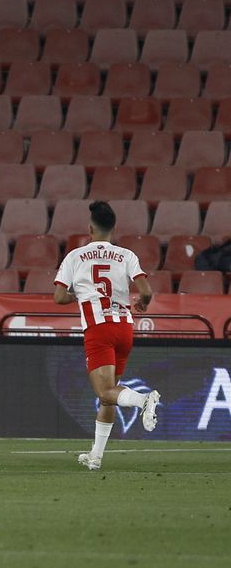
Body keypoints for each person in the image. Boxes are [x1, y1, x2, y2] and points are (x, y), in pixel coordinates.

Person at [54, 200, 162, 469]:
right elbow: (146, 291)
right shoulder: (126, 255)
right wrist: (143, 304)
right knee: (110, 393)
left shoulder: (75, 256)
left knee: (104, 392)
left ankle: (143, 399)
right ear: (113, 228)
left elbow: (58, 297)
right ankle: (96, 456)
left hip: (98, 328)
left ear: (90, 228)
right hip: (124, 328)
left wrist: (80, 294)